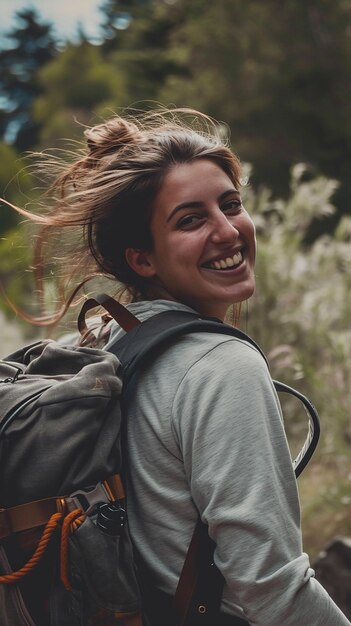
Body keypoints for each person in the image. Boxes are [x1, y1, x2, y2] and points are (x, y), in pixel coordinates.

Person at [5, 108, 350, 626]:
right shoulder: (222, 366)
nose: (227, 231)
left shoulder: (102, 342)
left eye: (230, 205)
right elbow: (273, 591)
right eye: (190, 220)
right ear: (142, 258)